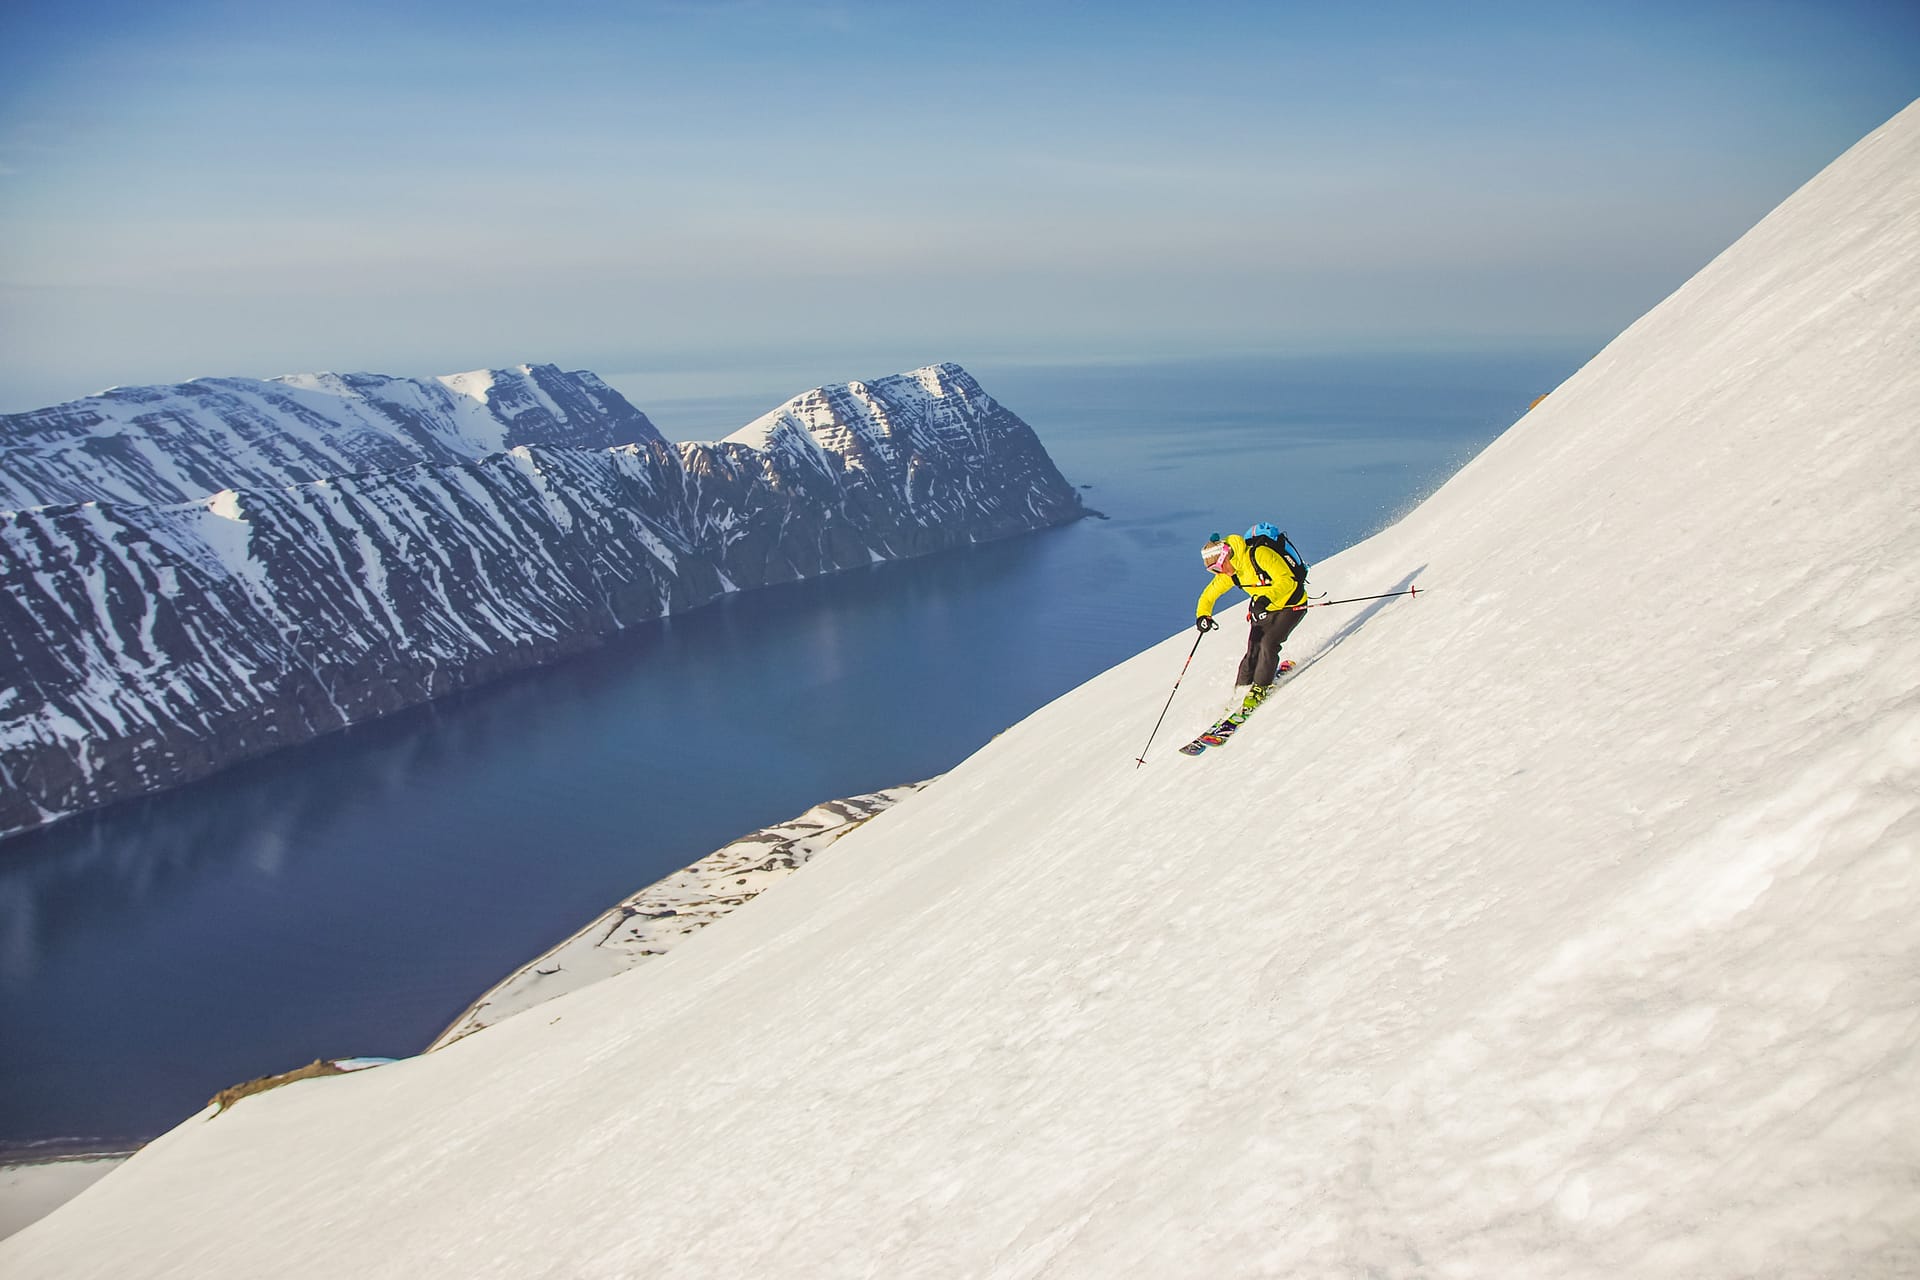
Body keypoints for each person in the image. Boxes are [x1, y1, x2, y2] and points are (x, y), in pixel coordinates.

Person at [1195, 530, 1306, 715]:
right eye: (1214, 570)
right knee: (1253, 650)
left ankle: (1261, 687)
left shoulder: (1259, 555)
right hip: (1262, 610)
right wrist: (1203, 616)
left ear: (1226, 555)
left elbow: (1288, 581)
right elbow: (1208, 595)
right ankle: (1241, 692)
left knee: (1268, 644)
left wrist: (1264, 600)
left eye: (1219, 567)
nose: (1220, 572)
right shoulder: (1232, 572)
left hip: (1292, 605)